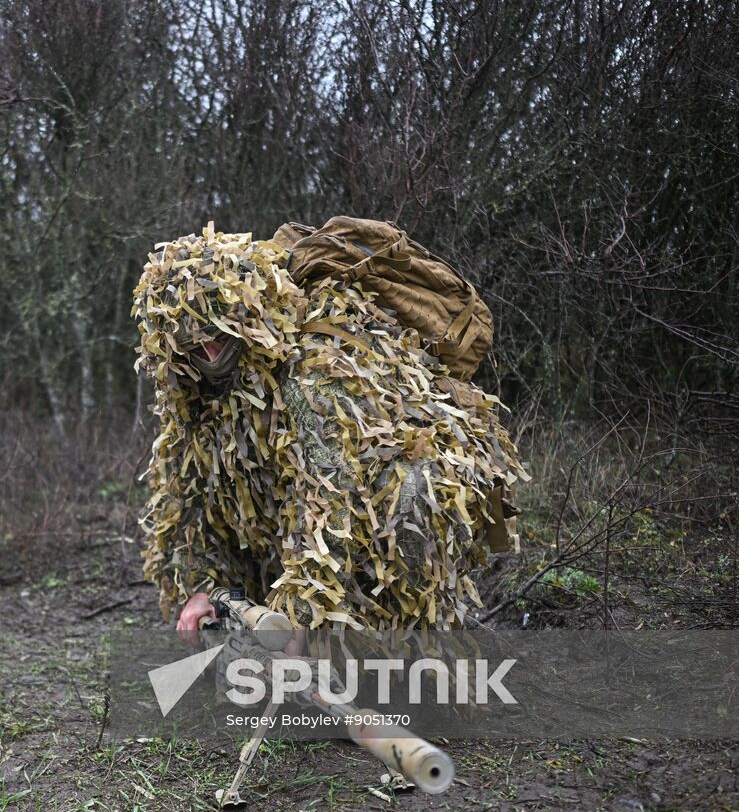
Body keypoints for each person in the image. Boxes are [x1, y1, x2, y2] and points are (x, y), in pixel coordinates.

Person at [133, 225, 523, 636]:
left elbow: (331, 502)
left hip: (379, 515)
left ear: (244, 319)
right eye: (194, 345)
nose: (211, 355)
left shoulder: (309, 375)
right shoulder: (188, 397)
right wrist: (202, 589)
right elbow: (185, 510)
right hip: (291, 528)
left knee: (410, 491)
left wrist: (301, 621)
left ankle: (397, 651)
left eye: (220, 336)